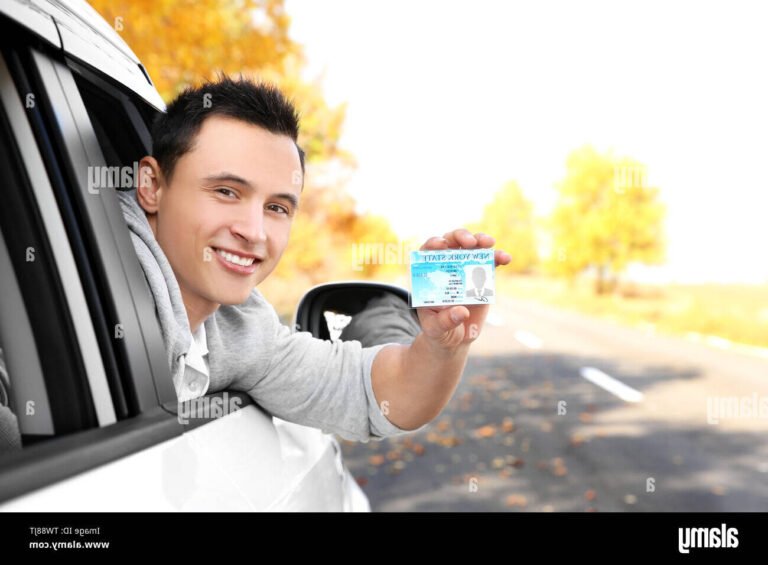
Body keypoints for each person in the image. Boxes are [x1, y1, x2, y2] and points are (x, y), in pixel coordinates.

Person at [118, 75, 511, 442]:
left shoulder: (240, 328)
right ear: (151, 186)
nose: (254, 231)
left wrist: (444, 346)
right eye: (226, 192)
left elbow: (375, 397)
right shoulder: (100, 287)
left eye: (276, 208)